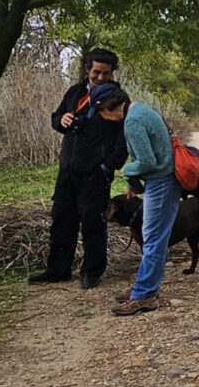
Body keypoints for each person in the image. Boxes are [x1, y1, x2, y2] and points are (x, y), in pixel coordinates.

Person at [30, 49, 128, 290]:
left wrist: (109, 165)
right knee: (62, 219)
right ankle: (58, 270)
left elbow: (123, 137)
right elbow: (56, 116)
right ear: (87, 69)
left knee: (93, 222)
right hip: (68, 168)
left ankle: (92, 272)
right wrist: (61, 121)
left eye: (106, 73)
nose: (101, 77)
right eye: (97, 72)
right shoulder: (74, 92)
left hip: (96, 172)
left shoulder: (117, 96)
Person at [92, 86, 177, 316]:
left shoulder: (133, 121)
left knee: (152, 239)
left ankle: (145, 295)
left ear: (107, 107)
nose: (101, 117)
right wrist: (133, 181)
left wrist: (127, 171)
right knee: (153, 238)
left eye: (100, 111)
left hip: (161, 181)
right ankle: (144, 286)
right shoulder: (139, 110)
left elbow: (147, 161)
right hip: (161, 180)